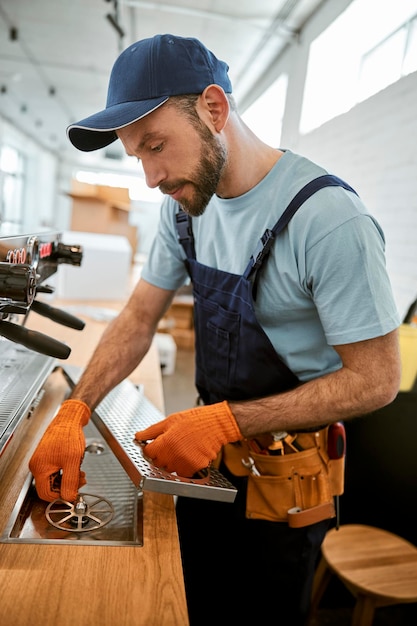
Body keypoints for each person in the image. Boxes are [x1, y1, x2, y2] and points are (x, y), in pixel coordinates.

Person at [29, 34, 401, 625]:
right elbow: (137, 318)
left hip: (285, 487)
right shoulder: (184, 206)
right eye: (137, 156)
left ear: (214, 109)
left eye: (156, 146)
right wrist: (75, 409)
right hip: (203, 464)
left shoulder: (328, 221)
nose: (151, 176)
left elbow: (377, 380)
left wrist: (228, 420)